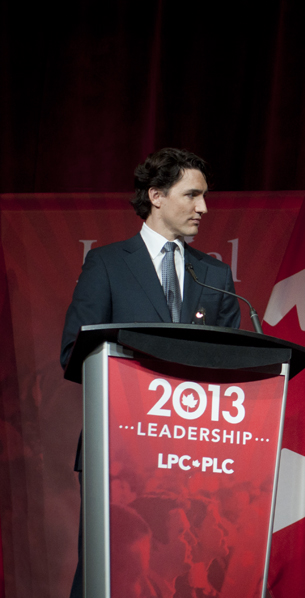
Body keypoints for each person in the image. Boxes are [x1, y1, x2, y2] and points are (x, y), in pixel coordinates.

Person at [61, 148, 241, 598]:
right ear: (156, 196)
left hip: (195, 457)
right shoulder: (106, 264)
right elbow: (72, 353)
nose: (203, 208)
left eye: (204, 197)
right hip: (120, 453)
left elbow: (232, 361)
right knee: (112, 571)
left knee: (183, 577)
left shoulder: (214, 274)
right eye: (192, 195)